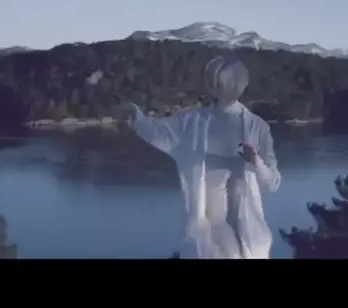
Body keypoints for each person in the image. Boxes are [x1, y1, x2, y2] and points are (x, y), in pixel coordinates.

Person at [119, 55, 282, 259]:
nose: (224, 88)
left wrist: (256, 162)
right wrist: (137, 118)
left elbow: (273, 183)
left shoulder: (258, 128)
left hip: (249, 236)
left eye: (229, 83)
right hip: (207, 235)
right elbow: (159, 133)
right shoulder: (192, 124)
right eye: (219, 83)